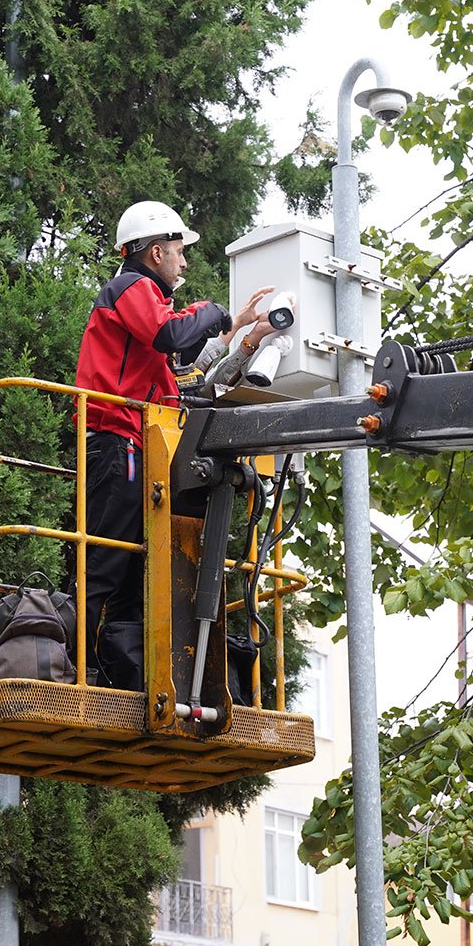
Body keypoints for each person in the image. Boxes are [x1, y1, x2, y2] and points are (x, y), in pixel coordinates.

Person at [73, 200, 275, 688]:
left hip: (135, 444)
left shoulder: (142, 301)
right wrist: (217, 310)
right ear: (156, 252)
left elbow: (186, 360)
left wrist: (244, 328)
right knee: (104, 560)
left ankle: (110, 670)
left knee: (128, 568)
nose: (184, 263)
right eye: (180, 252)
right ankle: (73, 663)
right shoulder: (132, 286)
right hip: (116, 439)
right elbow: (172, 335)